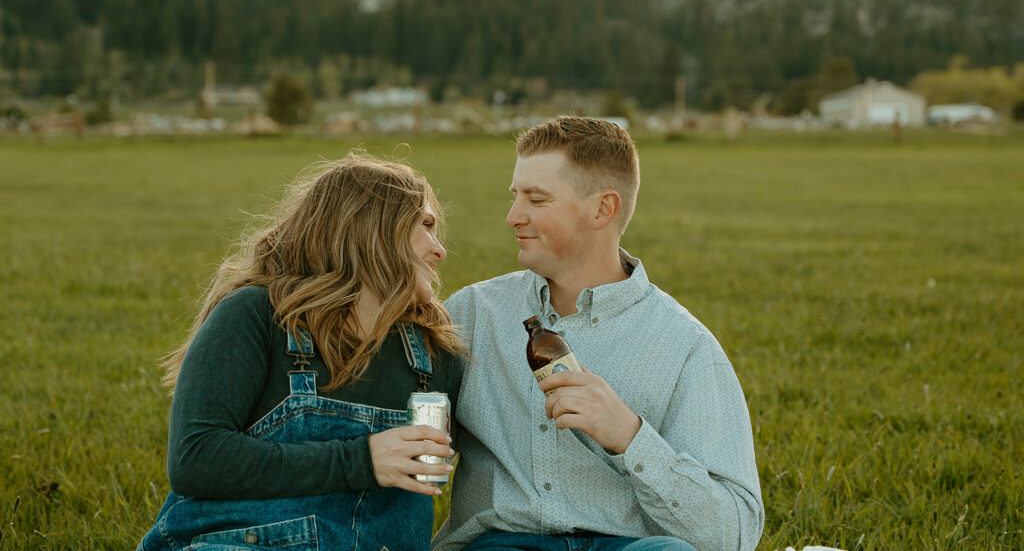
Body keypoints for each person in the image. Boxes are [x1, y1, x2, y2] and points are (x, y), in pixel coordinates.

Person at [434, 117, 764, 551]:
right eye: (516, 197)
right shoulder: (473, 314)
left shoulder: (685, 346)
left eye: (537, 199)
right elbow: (409, 443)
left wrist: (629, 436)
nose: (513, 217)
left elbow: (734, 535)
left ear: (603, 209)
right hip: (500, 543)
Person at [138, 154, 466, 551]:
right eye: (426, 226)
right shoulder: (257, 315)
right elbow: (197, 458)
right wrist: (360, 461)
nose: (439, 250)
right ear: (371, 229)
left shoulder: (432, 355)